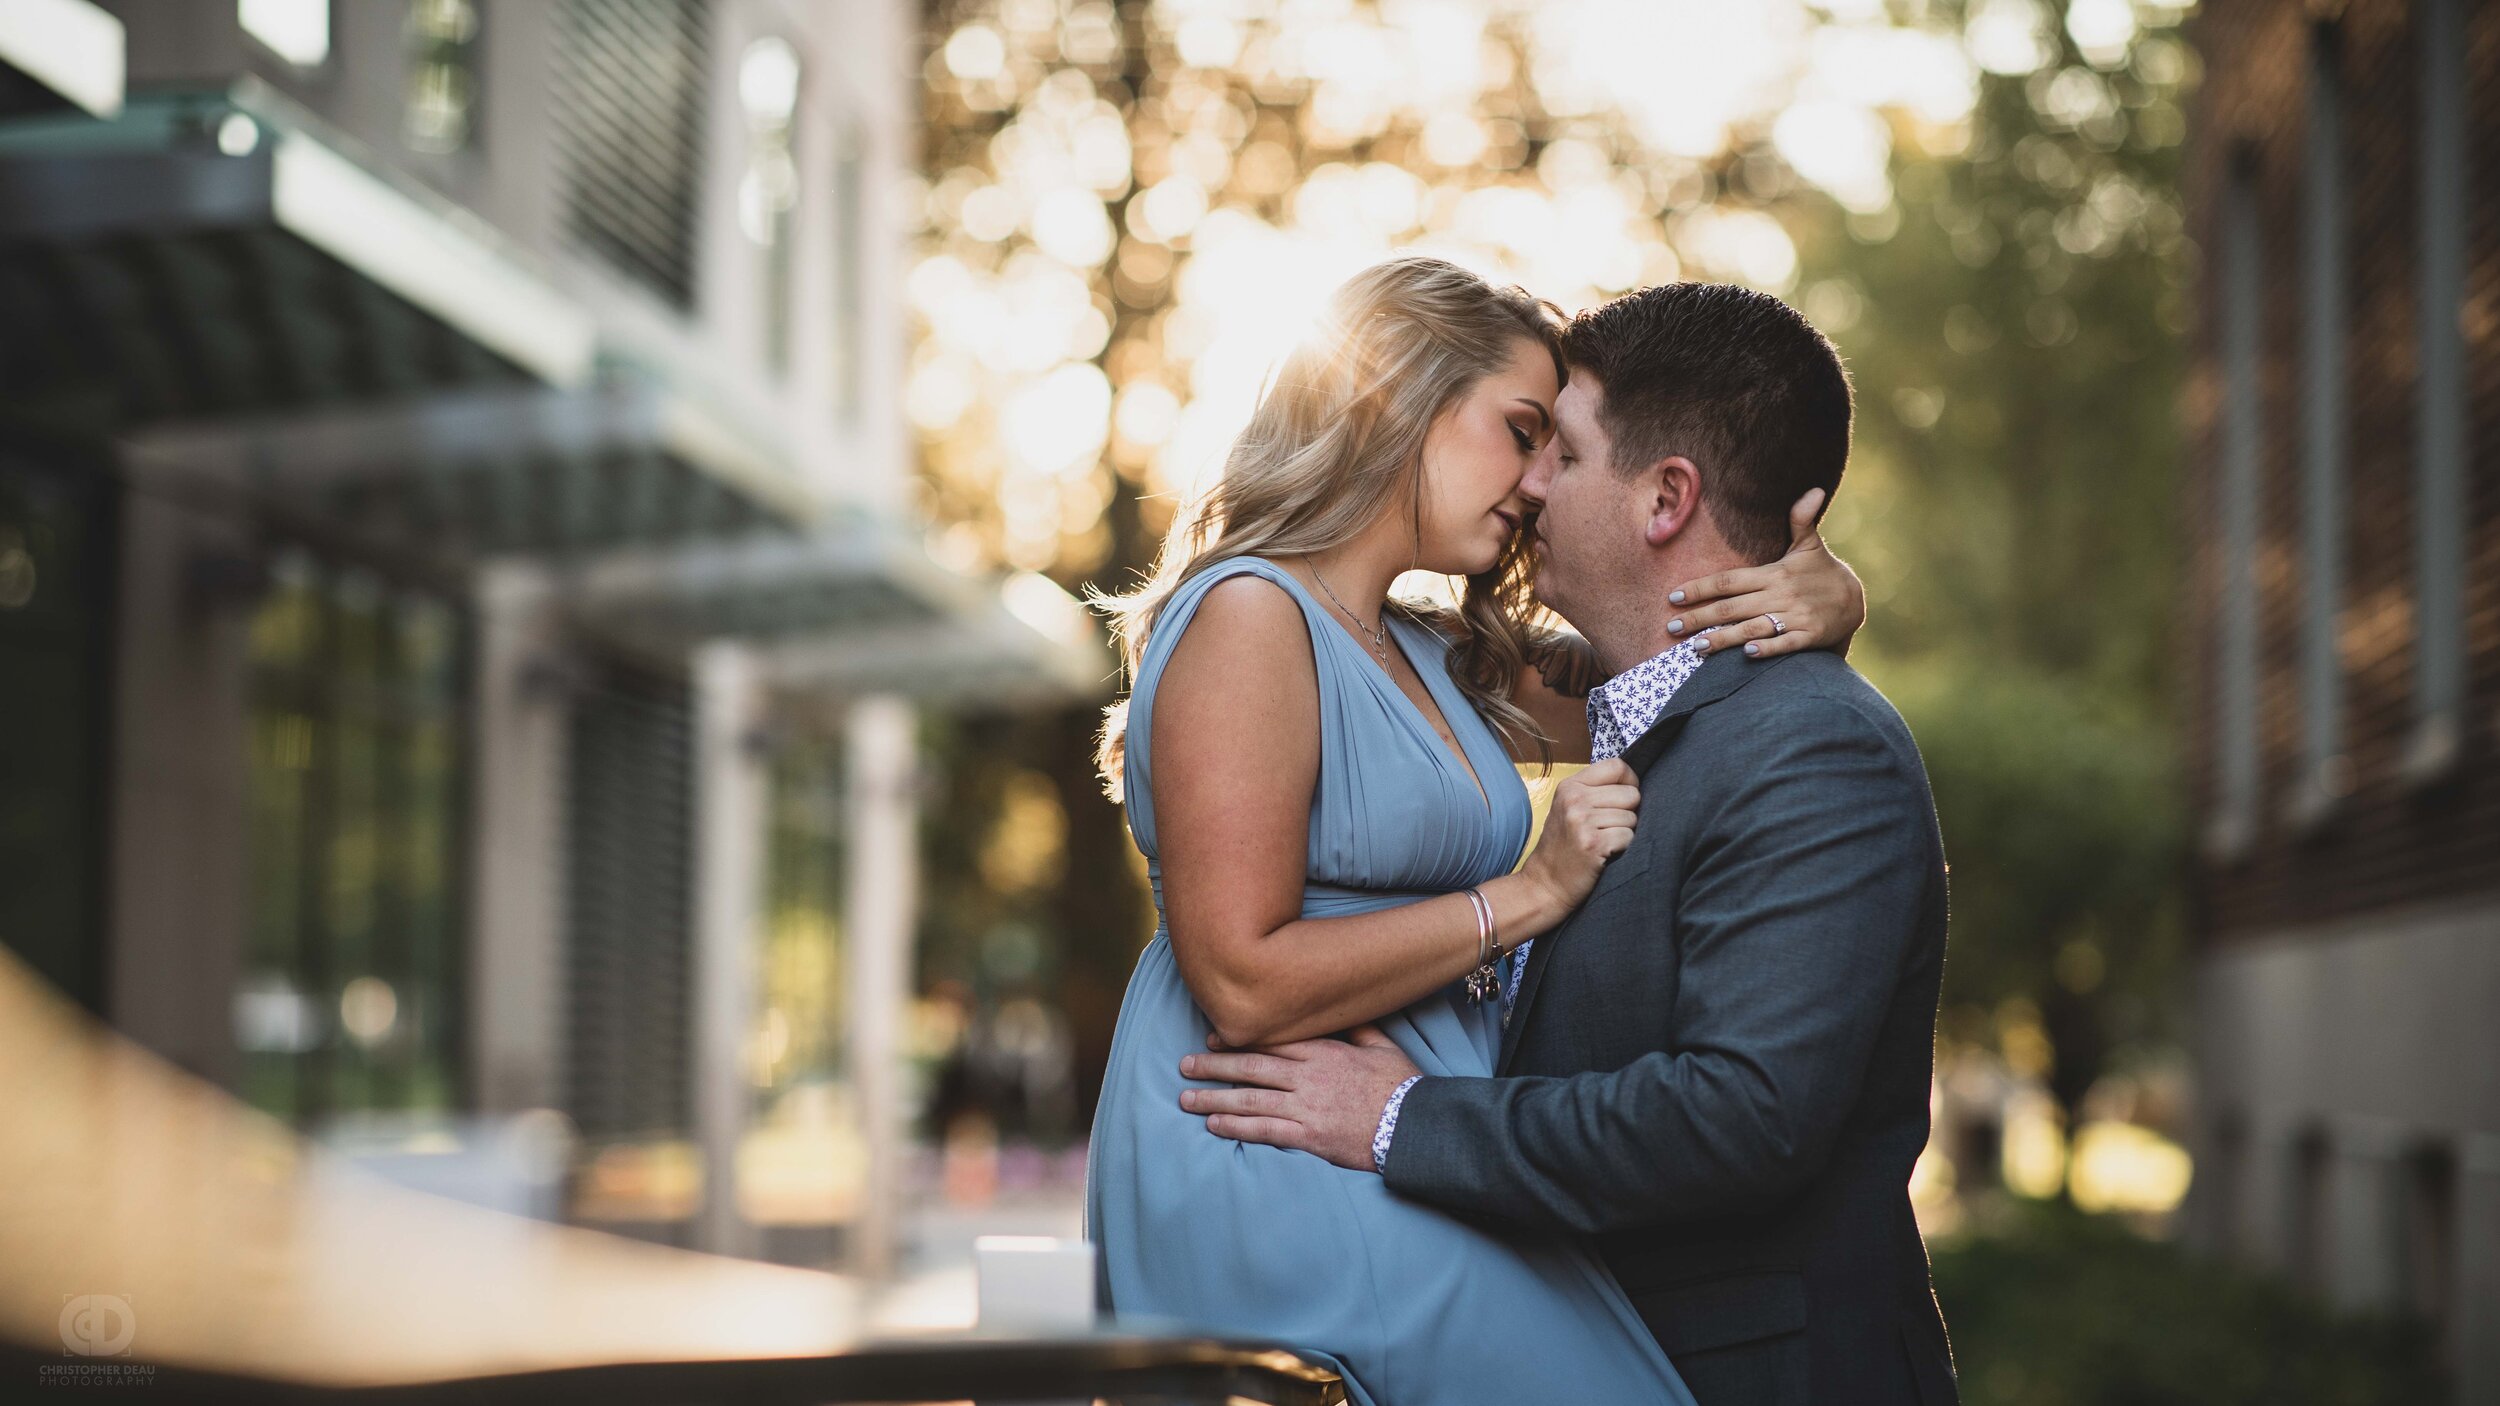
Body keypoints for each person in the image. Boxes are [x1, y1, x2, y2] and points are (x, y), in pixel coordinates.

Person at [1084, 256, 1869, 1405]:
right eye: (1520, 431)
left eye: (1555, 446)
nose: (1538, 480)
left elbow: (1668, 663)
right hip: (1267, 1128)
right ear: (1395, 398)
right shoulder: (1250, 616)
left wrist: (1828, 596)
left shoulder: (1429, 651)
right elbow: (1241, 978)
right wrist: (1528, 896)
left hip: (1414, 1135)